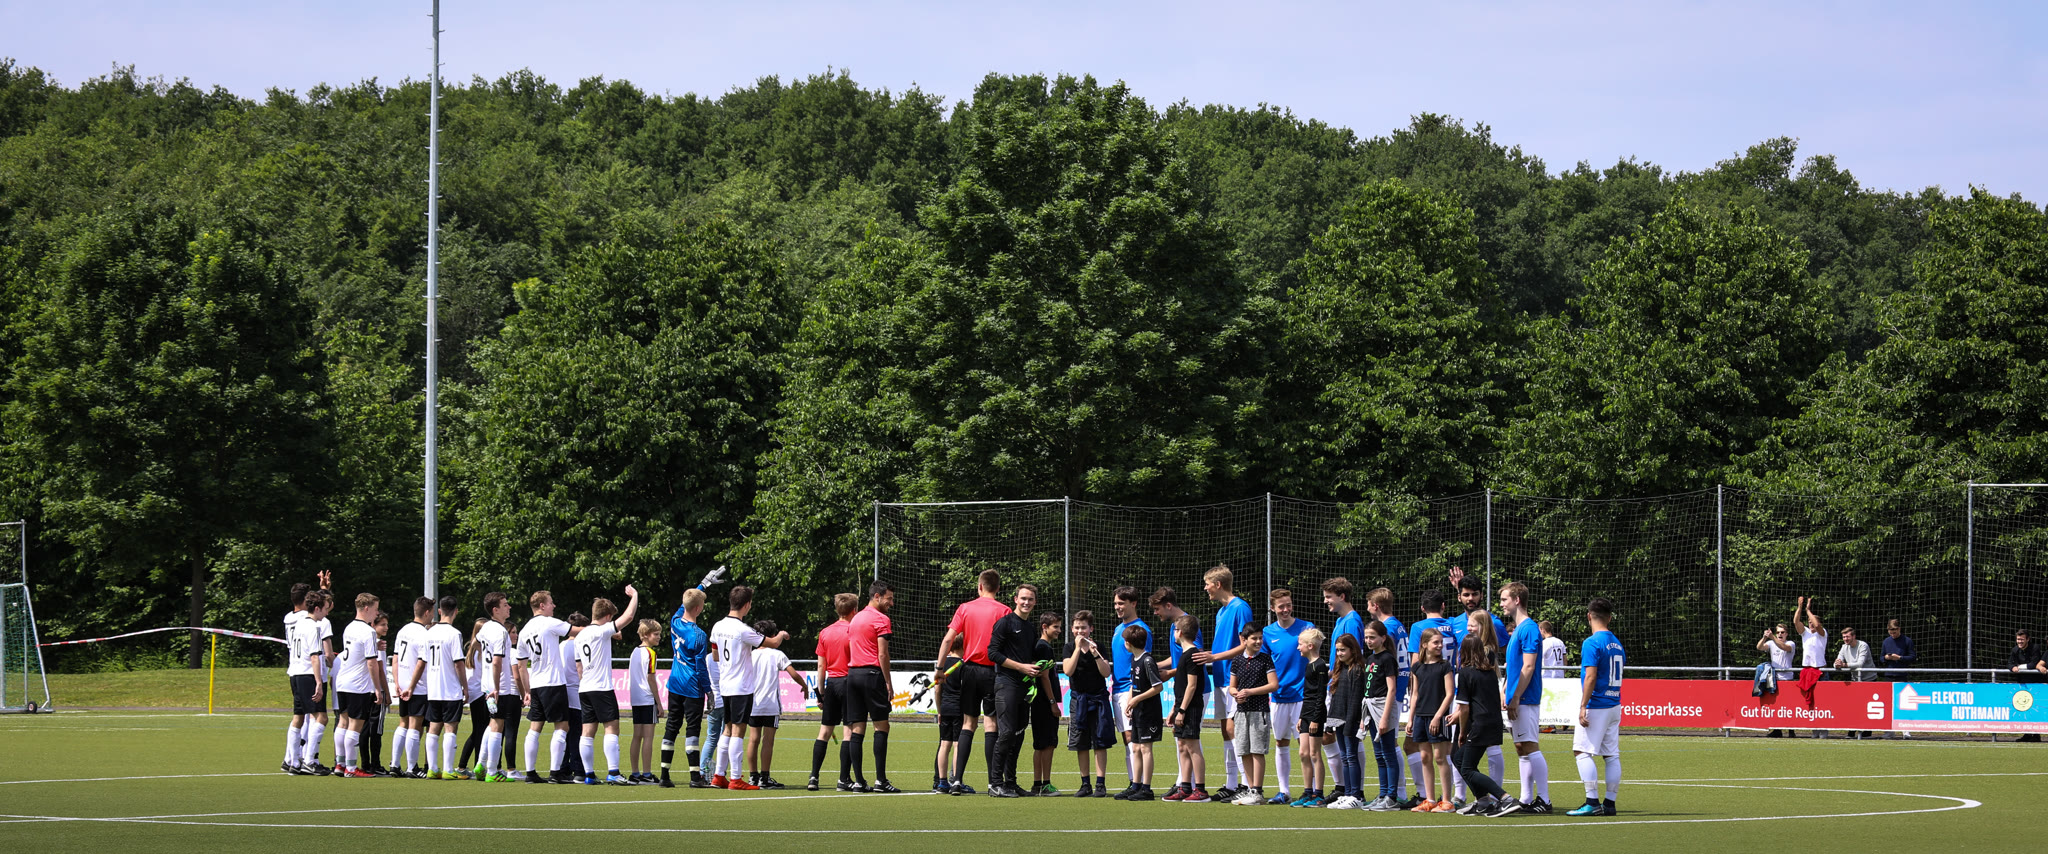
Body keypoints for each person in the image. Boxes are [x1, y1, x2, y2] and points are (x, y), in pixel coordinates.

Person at [710, 585, 789, 790]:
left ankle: (719, 775)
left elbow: (716, 655)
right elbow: (773, 643)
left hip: (725, 685)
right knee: (738, 731)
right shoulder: (743, 630)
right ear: (747, 605)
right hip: (741, 687)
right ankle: (736, 778)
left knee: (727, 729)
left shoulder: (718, 626)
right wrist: (781, 634)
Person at [939, 569, 1009, 794]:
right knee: (991, 724)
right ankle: (992, 783)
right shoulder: (1004, 610)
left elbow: (948, 639)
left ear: (979, 586)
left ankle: (956, 781)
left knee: (968, 724)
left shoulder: (965, 608)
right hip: (993, 671)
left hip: (969, 671)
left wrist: (940, 668)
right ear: (998, 588)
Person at [1188, 564, 1254, 802]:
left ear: (1218, 584)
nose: (1205, 588)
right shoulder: (1221, 612)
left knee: (1235, 731)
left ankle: (1247, 785)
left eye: (1207, 584)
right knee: (1226, 731)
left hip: (1235, 678)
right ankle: (1231, 784)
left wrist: (1214, 657)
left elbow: (1247, 643)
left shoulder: (1240, 608)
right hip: (1220, 677)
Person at [1453, 613, 1520, 816]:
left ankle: (1505, 798)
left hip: (1478, 725)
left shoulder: (1465, 673)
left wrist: (1462, 732)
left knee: (1467, 768)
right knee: (1458, 759)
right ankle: (1483, 801)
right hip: (1492, 722)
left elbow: (1465, 708)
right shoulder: (1489, 671)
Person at [1450, 574, 1509, 797]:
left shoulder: (1495, 623)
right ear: (1459, 597)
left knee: (1490, 748)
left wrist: (1505, 687)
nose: (1470, 598)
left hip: (1482, 698)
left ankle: (1496, 797)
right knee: (1458, 752)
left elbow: (1507, 655)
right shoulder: (1455, 623)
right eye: (1466, 594)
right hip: (1463, 694)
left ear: (1481, 596)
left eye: (1474, 594)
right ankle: (1462, 796)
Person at [1569, 598, 1625, 816]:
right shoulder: (1617, 643)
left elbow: (1590, 676)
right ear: (1609, 618)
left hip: (1597, 704)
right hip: (1614, 704)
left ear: (1589, 616)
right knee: (1611, 755)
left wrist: (1583, 705)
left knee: (1581, 751)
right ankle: (1609, 804)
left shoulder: (1591, 642)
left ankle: (1591, 801)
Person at [986, 584, 1044, 797]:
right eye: (1023, 598)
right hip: (1006, 684)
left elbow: (1028, 657)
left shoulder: (1030, 628)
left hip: (1024, 687)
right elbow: (992, 653)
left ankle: (1010, 783)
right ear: (1015, 599)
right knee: (1007, 733)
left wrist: (1035, 666)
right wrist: (1021, 667)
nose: (1026, 602)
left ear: (1035, 602)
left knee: (1018, 735)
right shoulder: (1005, 623)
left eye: (1030, 599)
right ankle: (995, 784)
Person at [1498, 582, 1551, 812]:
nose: (1501, 604)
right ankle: (1526, 799)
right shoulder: (1519, 629)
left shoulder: (1529, 628)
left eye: (1504, 599)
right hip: (1517, 696)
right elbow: (1514, 666)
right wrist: (1505, 689)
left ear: (1517, 600)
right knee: (1521, 746)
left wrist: (1517, 696)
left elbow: (1528, 666)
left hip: (1526, 698)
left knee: (1530, 745)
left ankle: (1545, 800)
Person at [1402, 590, 1454, 807]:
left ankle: (1447, 800)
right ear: (1424, 644)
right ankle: (1430, 799)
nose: (1439, 646)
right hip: (1421, 716)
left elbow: (1450, 694)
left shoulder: (1445, 666)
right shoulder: (1417, 668)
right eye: (1435, 643)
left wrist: (1438, 717)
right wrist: (1410, 719)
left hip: (1437, 717)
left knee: (1440, 757)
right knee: (1425, 757)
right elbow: (1414, 694)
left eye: (1441, 642)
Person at [845, 581, 898, 792]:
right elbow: (882, 654)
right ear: (877, 596)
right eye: (889, 599)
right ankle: (881, 781)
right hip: (872, 675)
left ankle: (858, 781)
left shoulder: (856, 618)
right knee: (881, 727)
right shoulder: (881, 619)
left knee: (857, 729)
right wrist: (888, 682)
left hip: (853, 675)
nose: (891, 603)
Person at [517, 591, 575, 783]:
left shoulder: (524, 630)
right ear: (542, 605)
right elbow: (577, 631)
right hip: (553, 682)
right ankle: (555, 773)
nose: (554, 606)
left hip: (536, 684)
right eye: (551, 602)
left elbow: (521, 666)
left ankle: (530, 773)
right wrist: (602, 629)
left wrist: (527, 691)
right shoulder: (550, 623)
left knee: (535, 728)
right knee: (562, 726)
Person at [408, 596, 468, 780]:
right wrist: (465, 686)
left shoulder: (429, 633)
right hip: (450, 689)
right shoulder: (454, 634)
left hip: (433, 689)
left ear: (439, 611)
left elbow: (423, 661)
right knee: (450, 728)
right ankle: (448, 769)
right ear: (456, 611)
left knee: (433, 728)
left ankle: (433, 769)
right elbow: (458, 663)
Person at [1261, 588, 1312, 804]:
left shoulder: (1306, 628)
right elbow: (1264, 665)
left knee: (1305, 748)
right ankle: (1284, 791)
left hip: (1302, 696)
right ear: (1272, 608)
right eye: (1281, 606)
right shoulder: (1267, 633)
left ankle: (1310, 791)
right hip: (1278, 697)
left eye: (1288, 605)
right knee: (1281, 743)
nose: (1285, 609)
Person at [1148, 586, 1200, 795]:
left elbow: (1194, 659)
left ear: (1168, 605)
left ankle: (1193, 786)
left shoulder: (1187, 625)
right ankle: (1184, 784)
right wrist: (1155, 665)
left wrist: (1170, 673)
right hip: (1181, 689)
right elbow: (1177, 657)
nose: (1156, 613)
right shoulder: (1174, 627)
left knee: (1190, 740)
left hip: (1193, 689)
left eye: (1157, 608)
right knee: (1181, 739)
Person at [330, 592, 387, 778]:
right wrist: (377, 688)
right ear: (366, 608)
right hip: (358, 684)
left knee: (342, 722)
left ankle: (340, 764)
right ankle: (351, 768)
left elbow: (357, 651)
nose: (376, 613)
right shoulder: (368, 631)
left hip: (342, 681)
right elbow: (371, 662)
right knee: (355, 725)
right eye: (375, 609)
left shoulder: (349, 627)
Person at [660, 588, 712, 788]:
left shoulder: (675, 622)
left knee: (672, 726)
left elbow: (685, 604)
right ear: (698, 609)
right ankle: (694, 777)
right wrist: (709, 691)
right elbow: (701, 667)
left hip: (674, 683)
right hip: (692, 686)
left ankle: (664, 775)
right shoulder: (699, 635)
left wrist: (702, 585)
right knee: (692, 729)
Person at [747, 619, 808, 787]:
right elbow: (793, 673)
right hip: (771, 705)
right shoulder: (777, 654)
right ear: (773, 635)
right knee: (768, 741)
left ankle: (753, 777)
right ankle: (765, 778)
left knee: (753, 740)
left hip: (753, 703)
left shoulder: (750, 654)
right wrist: (804, 686)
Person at [1363, 586, 1410, 803]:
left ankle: (1396, 793)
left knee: (1390, 746)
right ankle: (1388, 793)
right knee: (1384, 749)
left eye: (1369, 604)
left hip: (1388, 694)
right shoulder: (1398, 625)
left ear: (1375, 606)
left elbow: (1389, 667)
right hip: (1387, 692)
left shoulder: (1388, 628)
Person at [1062, 609, 1115, 796]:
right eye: (1077, 628)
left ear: (1091, 629)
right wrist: (1078, 649)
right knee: (1081, 743)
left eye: (1083, 628)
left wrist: (1095, 654)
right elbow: (1068, 671)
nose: (1080, 631)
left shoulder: (1099, 646)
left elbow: (1106, 673)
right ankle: (1085, 784)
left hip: (1098, 699)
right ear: (1072, 629)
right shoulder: (1069, 647)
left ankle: (1100, 784)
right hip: (1079, 701)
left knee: (1100, 742)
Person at [1320, 577, 1365, 797]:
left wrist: (1338, 676)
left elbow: (1353, 656)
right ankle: (1344, 788)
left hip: (1346, 686)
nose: (1326, 601)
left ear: (1342, 596)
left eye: (1329, 597)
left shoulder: (1352, 621)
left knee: (1351, 739)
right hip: (1336, 683)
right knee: (1333, 736)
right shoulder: (1340, 620)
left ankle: (1355, 790)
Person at [472, 592, 522, 782]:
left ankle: (481, 763)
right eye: (505, 604)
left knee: (492, 722)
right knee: (498, 725)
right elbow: (496, 661)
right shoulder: (500, 631)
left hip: (487, 685)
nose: (509, 607)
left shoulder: (486, 628)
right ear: (495, 609)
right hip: (499, 686)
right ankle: (492, 771)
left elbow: (476, 643)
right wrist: (496, 687)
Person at [1226, 625, 1279, 805]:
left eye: (1260, 638)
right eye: (1254, 638)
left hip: (1259, 711)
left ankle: (1257, 791)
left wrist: (1250, 692)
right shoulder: (1237, 661)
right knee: (1244, 751)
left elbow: (1273, 685)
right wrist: (1236, 694)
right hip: (1241, 712)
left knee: (1257, 751)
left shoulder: (1265, 659)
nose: (1258, 641)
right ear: (1244, 639)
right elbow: (1232, 686)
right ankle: (1250, 789)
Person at [811, 593, 858, 791]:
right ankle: (843, 779)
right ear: (854, 610)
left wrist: (821, 693)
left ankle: (813, 777)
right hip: (849, 683)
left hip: (832, 683)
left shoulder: (825, 632)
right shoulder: (854, 631)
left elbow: (821, 666)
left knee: (824, 731)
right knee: (849, 732)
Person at [1108, 587, 1152, 796]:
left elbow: (1143, 662)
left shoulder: (1141, 630)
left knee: (1133, 737)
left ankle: (1139, 784)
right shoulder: (1119, 629)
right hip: (1116, 687)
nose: (1117, 607)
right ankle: (1133, 782)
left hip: (1130, 688)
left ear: (1133, 603)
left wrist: (1134, 692)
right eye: (1116, 603)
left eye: (1121, 603)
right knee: (1127, 738)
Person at [1163, 614, 1210, 802]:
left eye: (1175, 630)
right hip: (1182, 706)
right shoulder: (1184, 655)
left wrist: (1182, 710)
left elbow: (1191, 685)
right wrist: (1174, 709)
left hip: (1191, 707)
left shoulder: (1192, 655)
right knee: (1182, 745)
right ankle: (1185, 787)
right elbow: (1181, 687)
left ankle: (1201, 789)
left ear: (1180, 632)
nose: (1173, 633)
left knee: (1192, 746)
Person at [289, 589, 334, 775]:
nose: (326, 612)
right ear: (317, 608)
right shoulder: (314, 627)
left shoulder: (299, 624)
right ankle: (309, 760)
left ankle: (293, 762)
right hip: (308, 674)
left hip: (295, 673)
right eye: (324, 608)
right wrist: (318, 682)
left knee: (298, 717)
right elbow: (315, 657)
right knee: (321, 717)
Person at [1323, 632, 1367, 810]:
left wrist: (1350, 723)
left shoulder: (1357, 670)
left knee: (1351, 756)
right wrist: (1330, 722)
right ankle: (1347, 793)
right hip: (1338, 719)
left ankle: (1356, 795)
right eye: (1338, 650)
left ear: (1352, 650)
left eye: (1343, 650)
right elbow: (1335, 698)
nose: (1340, 653)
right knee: (1344, 757)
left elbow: (1356, 700)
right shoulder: (1339, 669)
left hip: (1350, 721)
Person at [390, 597, 434, 776]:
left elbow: (395, 658)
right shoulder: (424, 634)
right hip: (417, 687)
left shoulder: (403, 630)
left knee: (403, 723)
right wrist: (411, 686)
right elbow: (421, 663)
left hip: (403, 684)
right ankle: (412, 768)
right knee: (415, 725)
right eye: (432, 612)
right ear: (426, 612)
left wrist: (397, 683)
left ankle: (394, 765)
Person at [1362, 622, 1403, 810]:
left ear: (1383, 638)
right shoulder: (1370, 658)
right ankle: (1383, 793)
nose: (1368, 641)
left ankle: (1391, 796)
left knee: (1388, 753)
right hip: (1370, 708)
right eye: (1366, 637)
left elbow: (1391, 689)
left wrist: (1385, 717)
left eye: (1372, 637)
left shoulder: (1387, 659)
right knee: (1379, 754)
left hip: (1382, 707)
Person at [1123, 622, 1165, 801]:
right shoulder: (1134, 659)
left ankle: (1147, 789)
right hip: (1138, 711)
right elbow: (1134, 684)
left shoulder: (1147, 661)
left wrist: (1137, 699)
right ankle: (1136, 785)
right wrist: (1130, 702)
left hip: (1149, 712)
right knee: (1135, 748)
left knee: (1146, 749)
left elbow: (1158, 687)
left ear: (1129, 643)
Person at [1290, 627, 1328, 807]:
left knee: (1314, 753)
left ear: (1310, 646)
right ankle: (1307, 791)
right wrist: (1301, 717)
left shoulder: (1320, 666)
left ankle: (1318, 794)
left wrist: (1315, 718)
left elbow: (1320, 695)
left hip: (1315, 714)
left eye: (1300, 644)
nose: (1298, 647)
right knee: (1303, 752)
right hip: (1306, 713)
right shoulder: (1308, 665)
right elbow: (1307, 694)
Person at [281, 580, 316, 775]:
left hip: (293, 667)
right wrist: (325, 590)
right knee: (311, 716)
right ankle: (301, 758)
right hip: (306, 668)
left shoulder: (289, 618)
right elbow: (319, 609)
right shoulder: (306, 618)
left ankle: (290, 758)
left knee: (299, 715)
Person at [1030, 611, 1065, 795]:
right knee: (1048, 744)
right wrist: (1052, 702)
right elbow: (1044, 676)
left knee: (1040, 744)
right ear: (1044, 627)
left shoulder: (1039, 646)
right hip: (1044, 702)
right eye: (1055, 627)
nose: (1059, 630)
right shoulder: (1044, 647)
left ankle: (1037, 784)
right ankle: (1045, 784)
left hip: (1038, 702)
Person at [626, 618, 664, 783]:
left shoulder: (634, 652)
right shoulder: (650, 653)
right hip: (647, 699)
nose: (659, 637)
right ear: (646, 635)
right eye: (656, 634)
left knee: (637, 736)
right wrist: (659, 703)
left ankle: (635, 773)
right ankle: (647, 774)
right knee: (648, 737)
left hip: (636, 699)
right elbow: (651, 678)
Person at [456, 617, 492, 779]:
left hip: (475, 692)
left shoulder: (472, 649)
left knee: (478, 730)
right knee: (481, 731)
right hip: (480, 692)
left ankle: (463, 765)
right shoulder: (481, 650)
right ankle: (478, 765)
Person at [1795, 597, 1830, 738]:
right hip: (1808, 670)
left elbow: (1817, 624)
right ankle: (1814, 729)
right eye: (1808, 622)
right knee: (1811, 702)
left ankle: (1824, 729)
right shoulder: (1805, 633)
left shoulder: (1822, 633)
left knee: (1823, 702)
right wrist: (1800, 607)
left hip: (1821, 671)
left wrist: (1808, 610)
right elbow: (1796, 622)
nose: (1811, 624)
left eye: (1812, 621)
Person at [1880, 618, 1918, 740]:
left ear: (1899, 629)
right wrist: (1886, 658)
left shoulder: (1907, 641)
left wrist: (1900, 658)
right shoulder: (1886, 641)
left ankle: (1906, 731)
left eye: (1894, 632)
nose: (1893, 634)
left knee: (1903, 704)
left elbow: (1912, 657)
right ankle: (1889, 731)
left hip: (1902, 675)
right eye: (1890, 632)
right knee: (1888, 704)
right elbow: (1881, 658)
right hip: (1889, 676)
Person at [2011, 629, 2046, 742]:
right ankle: (2027, 734)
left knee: (2035, 708)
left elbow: (2034, 664)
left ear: (2028, 639)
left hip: (2035, 683)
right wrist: (2012, 667)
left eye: (2022, 639)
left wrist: (2019, 667)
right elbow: (2010, 663)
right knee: (2024, 708)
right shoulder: (2015, 650)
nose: (2019, 642)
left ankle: (2036, 735)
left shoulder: (2035, 648)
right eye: (2018, 639)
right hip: (2022, 684)